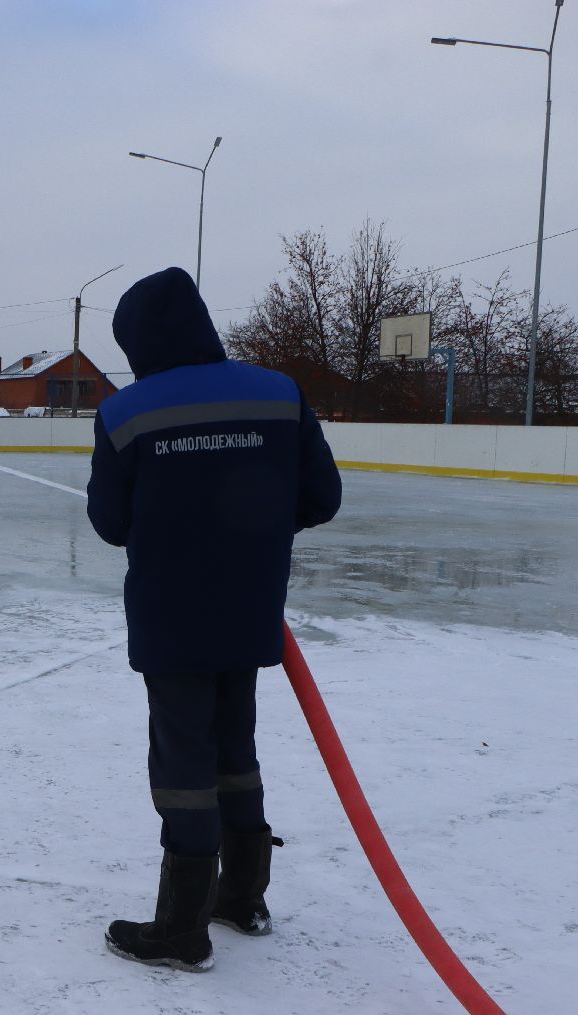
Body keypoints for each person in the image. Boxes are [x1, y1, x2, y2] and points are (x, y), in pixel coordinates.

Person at [87, 266, 342, 972]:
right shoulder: (279, 393)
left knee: (182, 764)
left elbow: (110, 524)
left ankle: (179, 928)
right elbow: (322, 497)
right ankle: (243, 898)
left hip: (172, 618)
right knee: (235, 749)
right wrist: (250, 534)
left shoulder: (124, 412)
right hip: (248, 608)